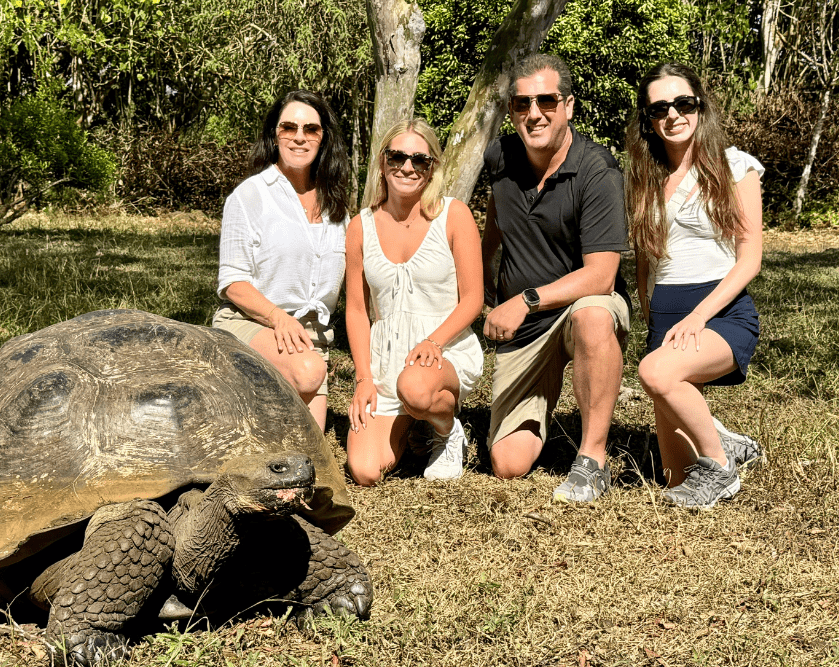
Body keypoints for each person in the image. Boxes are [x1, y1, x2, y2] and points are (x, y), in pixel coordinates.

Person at [481, 53, 631, 503]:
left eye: (546, 100)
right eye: (522, 103)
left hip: (578, 311)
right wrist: (484, 295)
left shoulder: (597, 171)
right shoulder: (500, 157)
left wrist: (524, 299)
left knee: (592, 315)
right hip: (526, 333)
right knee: (509, 464)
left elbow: (602, 276)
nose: (534, 113)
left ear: (568, 105)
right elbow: (495, 226)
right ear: (511, 111)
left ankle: (592, 459)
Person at [627, 63, 764, 508]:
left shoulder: (734, 167)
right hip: (665, 315)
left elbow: (750, 257)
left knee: (654, 372)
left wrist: (699, 315)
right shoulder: (644, 180)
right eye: (660, 107)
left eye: (683, 103)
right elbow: (647, 258)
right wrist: (650, 315)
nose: (673, 114)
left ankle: (722, 468)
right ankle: (726, 440)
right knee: (674, 477)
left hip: (719, 312)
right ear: (648, 119)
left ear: (700, 107)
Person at [345, 119, 484, 485]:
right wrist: (363, 378)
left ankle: (445, 430)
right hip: (386, 362)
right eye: (398, 156)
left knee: (417, 388)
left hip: (442, 350)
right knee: (364, 470)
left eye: (419, 160)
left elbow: (473, 300)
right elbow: (357, 310)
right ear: (382, 161)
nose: (407, 167)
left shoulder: (454, 215)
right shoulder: (360, 226)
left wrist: (434, 340)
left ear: (432, 166)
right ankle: (417, 423)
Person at [214, 90, 349, 431]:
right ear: (274, 136)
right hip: (254, 323)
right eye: (289, 127)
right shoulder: (250, 196)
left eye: (311, 130)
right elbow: (232, 282)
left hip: (310, 340)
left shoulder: (337, 207)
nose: (299, 137)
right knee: (308, 372)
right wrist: (278, 318)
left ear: (324, 138)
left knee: (310, 448)